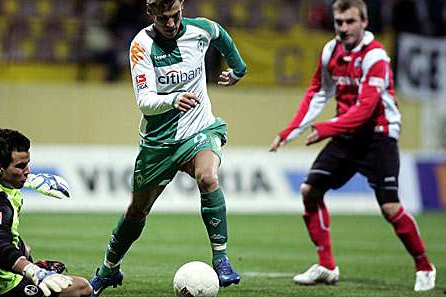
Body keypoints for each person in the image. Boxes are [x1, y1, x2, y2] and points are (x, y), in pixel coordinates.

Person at [268, 0, 436, 292]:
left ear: (364, 22)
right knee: (310, 190)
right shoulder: (330, 51)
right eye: (338, 22)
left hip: (378, 135)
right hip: (346, 135)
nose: (343, 28)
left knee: (389, 207)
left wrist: (324, 129)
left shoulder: (376, 57)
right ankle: (327, 266)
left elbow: (366, 109)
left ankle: (424, 266)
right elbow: (318, 92)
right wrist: (290, 131)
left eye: (349, 22)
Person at [88, 0, 247, 295]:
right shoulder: (141, 45)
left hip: (200, 129)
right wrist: (172, 100)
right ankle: (108, 270)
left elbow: (219, 33)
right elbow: (144, 101)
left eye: (175, 16)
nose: (171, 24)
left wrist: (238, 68)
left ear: (182, 7)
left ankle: (221, 259)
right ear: (151, 15)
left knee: (208, 177)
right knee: (137, 212)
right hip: (159, 142)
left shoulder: (200, 29)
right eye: (164, 19)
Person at [0, 128, 92, 297]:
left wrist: (31, 181)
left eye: (27, 163)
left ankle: (27, 268)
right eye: (20, 166)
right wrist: (33, 271)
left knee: (25, 249)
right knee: (82, 288)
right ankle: (30, 275)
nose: (27, 171)